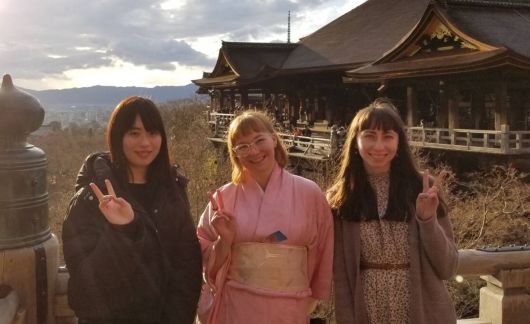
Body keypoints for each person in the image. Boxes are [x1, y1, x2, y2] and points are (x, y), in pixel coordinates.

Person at [62, 96, 202, 324]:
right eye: (134, 133)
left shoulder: (173, 191)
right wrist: (123, 232)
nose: (145, 143)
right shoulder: (92, 197)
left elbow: (186, 265)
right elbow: (85, 287)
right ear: (118, 137)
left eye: (152, 132)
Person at [328, 98, 458, 324]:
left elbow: (447, 267)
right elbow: (340, 276)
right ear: (355, 143)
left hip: (419, 308)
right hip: (367, 309)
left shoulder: (422, 188)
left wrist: (427, 221)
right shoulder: (340, 198)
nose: (379, 146)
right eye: (369, 136)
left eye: (387, 137)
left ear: (399, 143)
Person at [196, 111, 333, 324]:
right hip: (237, 306)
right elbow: (203, 252)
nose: (254, 151)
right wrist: (224, 242)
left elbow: (324, 249)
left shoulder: (310, 193)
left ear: (274, 139)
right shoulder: (223, 198)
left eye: (260, 140)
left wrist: (313, 299)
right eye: (243, 146)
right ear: (235, 154)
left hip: (291, 305)